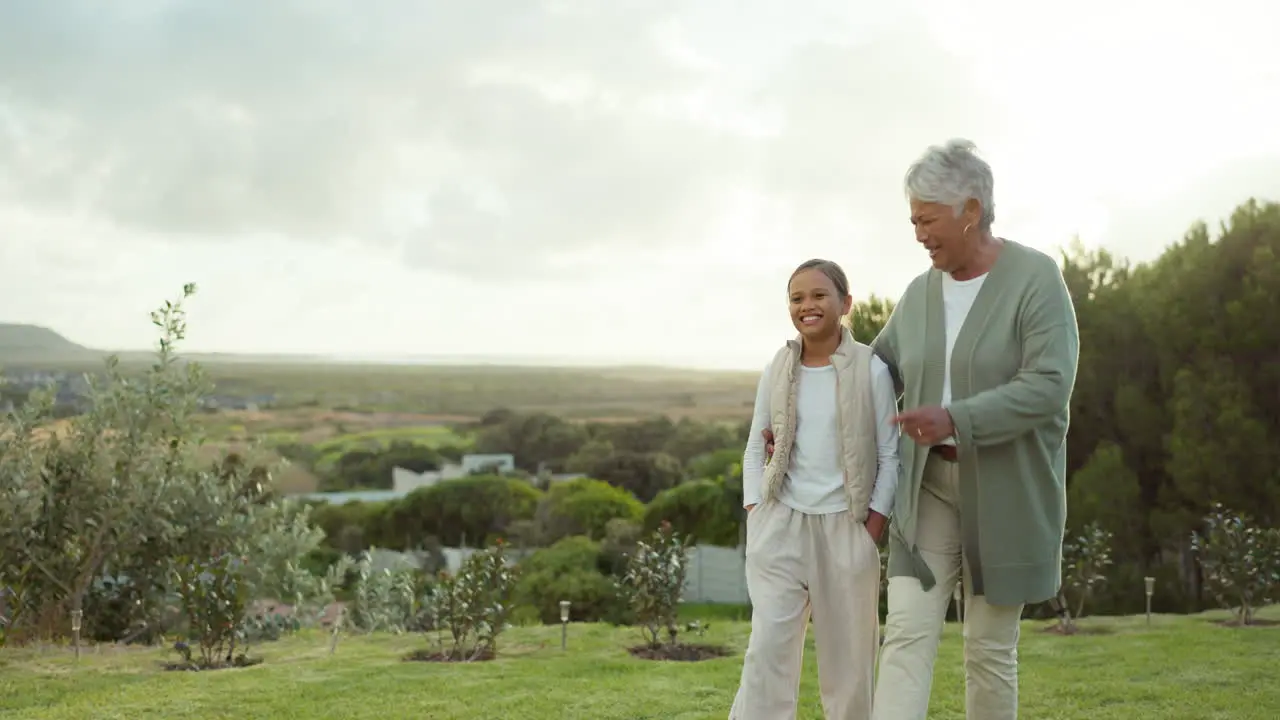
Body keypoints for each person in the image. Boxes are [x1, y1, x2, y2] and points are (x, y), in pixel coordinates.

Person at [867, 139, 1080, 720]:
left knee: (988, 650)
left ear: (969, 209)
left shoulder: (1036, 279)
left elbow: (1048, 385)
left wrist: (955, 418)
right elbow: (875, 370)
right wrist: (797, 407)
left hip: (1005, 493)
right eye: (913, 221)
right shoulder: (919, 294)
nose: (918, 233)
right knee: (906, 633)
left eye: (926, 219)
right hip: (927, 488)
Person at [729, 259, 900, 720]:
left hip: (847, 530)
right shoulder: (779, 366)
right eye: (797, 297)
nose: (807, 305)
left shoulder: (872, 370)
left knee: (849, 669)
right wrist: (755, 509)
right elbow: (753, 446)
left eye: (819, 295)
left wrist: (872, 530)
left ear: (845, 303)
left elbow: (890, 456)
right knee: (766, 656)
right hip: (780, 525)